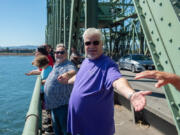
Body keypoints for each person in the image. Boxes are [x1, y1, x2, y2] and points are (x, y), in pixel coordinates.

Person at [59, 28, 152, 135]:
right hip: (79, 123)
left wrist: (131, 94)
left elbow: (117, 80)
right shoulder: (86, 61)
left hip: (96, 127)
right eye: (88, 43)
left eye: (96, 42)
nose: (92, 46)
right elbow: (79, 77)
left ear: (102, 44)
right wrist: (67, 81)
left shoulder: (108, 64)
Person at [44, 44, 77, 135]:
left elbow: (73, 71)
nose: (58, 54)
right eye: (56, 52)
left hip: (63, 106)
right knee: (57, 131)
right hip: (55, 106)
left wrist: (67, 75)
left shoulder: (68, 64)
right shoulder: (57, 64)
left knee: (65, 131)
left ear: (66, 54)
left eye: (61, 52)